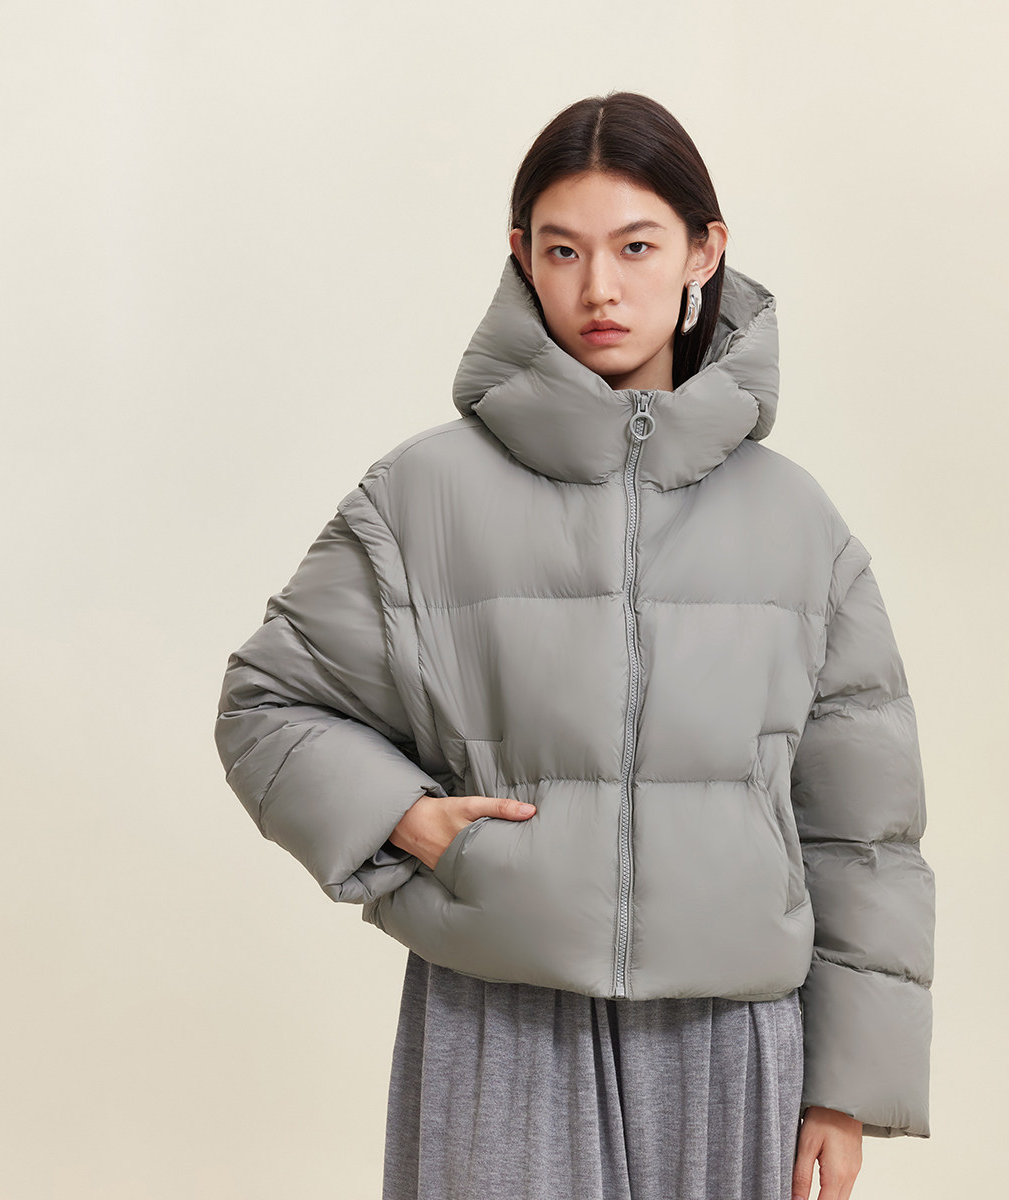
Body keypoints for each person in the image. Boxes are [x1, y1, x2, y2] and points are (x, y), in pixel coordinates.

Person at [215, 91, 935, 1200]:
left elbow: (863, 833)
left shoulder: (799, 523)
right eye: (563, 250)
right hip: (501, 1023)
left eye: (635, 246)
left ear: (704, 251)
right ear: (523, 259)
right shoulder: (423, 495)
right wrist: (405, 817)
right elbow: (267, 704)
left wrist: (845, 1087)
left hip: (734, 1043)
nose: (599, 287)